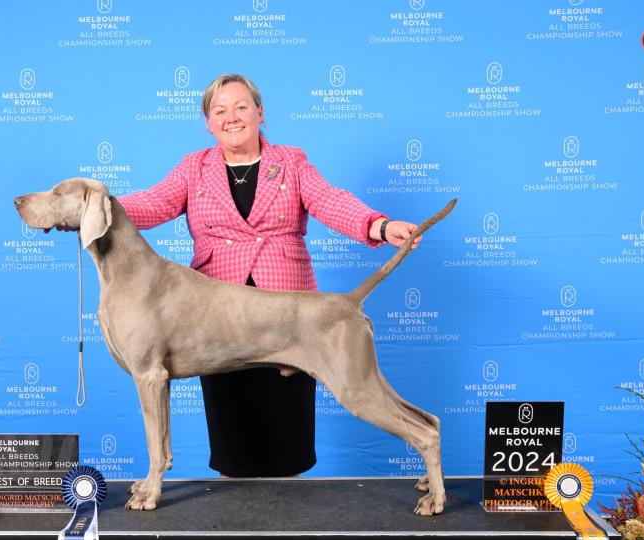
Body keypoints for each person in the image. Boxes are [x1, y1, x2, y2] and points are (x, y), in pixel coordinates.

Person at [117, 73, 420, 478]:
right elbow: (152, 203)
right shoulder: (194, 168)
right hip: (214, 321)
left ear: (260, 113)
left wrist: (380, 226)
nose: (231, 117)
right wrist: (97, 206)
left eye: (241, 107)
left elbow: (330, 201)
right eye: (219, 111)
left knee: (286, 453)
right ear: (208, 123)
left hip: (288, 320)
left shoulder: (291, 161)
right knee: (233, 453)